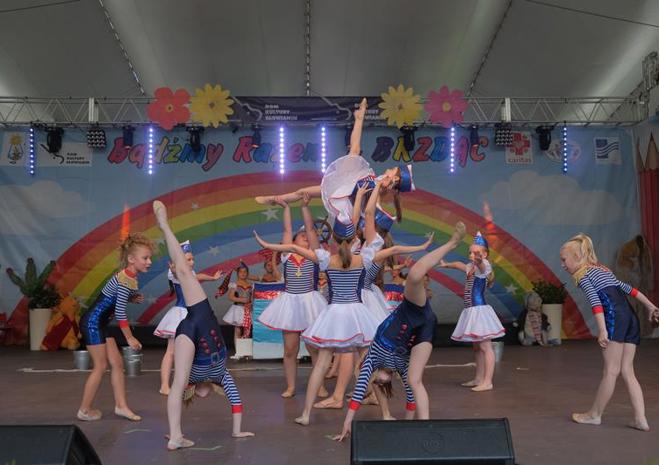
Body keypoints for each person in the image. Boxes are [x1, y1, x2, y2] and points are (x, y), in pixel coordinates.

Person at [253, 179, 390, 425]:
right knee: (368, 362)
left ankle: (306, 413)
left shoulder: (326, 259)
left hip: (334, 314)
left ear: (332, 239)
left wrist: (266, 244)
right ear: (354, 237)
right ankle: (386, 413)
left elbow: (294, 243)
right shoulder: (363, 257)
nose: (306, 238)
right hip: (358, 315)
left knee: (322, 362)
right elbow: (374, 228)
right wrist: (366, 194)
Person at [334, 222, 467, 441]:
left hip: (411, 312)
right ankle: (424, 431)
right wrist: (406, 424)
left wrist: (347, 422)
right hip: (424, 331)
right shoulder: (400, 367)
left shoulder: (371, 359)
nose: (378, 382)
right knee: (414, 381)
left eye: (374, 380)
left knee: (414, 275)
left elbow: (358, 393)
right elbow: (410, 399)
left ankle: (452, 243)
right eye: (381, 384)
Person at [153, 200, 254, 450]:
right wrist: (236, 431)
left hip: (190, 330)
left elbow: (180, 392)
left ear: (194, 392)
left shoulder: (192, 380)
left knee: (177, 384)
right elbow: (236, 402)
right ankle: (164, 226)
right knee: (184, 272)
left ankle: (175, 436)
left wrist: (237, 431)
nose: (204, 395)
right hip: (202, 319)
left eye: (198, 395)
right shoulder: (221, 376)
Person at [255, 98, 414, 229]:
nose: (391, 168)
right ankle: (275, 199)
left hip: (346, 197)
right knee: (305, 190)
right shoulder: (381, 182)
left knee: (354, 151)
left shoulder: (383, 187)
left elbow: (373, 206)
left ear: (396, 179)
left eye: (394, 170)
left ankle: (359, 118)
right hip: (347, 185)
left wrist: (381, 212)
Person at [560, 233, 658, 432]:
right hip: (630, 318)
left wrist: (603, 330)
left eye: (564, 260)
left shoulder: (584, 275)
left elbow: (596, 303)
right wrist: (650, 306)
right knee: (627, 370)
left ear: (577, 257)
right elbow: (629, 289)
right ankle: (640, 419)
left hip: (615, 319)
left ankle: (595, 415)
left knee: (611, 371)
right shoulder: (602, 270)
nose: (562, 265)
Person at [77, 233, 154, 422]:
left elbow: (112, 298)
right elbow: (119, 312)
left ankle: (121, 406)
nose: (149, 262)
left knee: (117, 363)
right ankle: (84, 410)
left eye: (149, 258)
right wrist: (129, 337)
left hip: (100, 322)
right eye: (145, 258)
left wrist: (130, 298)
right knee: (101, 366)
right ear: (131, 259)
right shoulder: (125, 279)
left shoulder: (129, 276)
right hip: (92, 323)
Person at [257, 194, 327, 397]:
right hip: (290, 303)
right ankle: (291, 386)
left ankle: (320, 386)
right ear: (293, 241)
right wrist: (286, 207)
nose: (304, 235)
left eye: (307, 235)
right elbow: (287, 229)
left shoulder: (315, 254)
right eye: (300, 234)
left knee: (314, 348)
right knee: (290, 349)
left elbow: (311, 229)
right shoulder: (287, 254)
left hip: (311, 303)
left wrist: (305, 206)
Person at [154, 240, 224, 395]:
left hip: (193, 315)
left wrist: (212, 278)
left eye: (192, 259)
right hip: (180, 315)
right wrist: (173, 268)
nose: (192, 262)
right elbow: (175, 274)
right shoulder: (176, 273)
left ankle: (187, 383)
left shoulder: (190, 273)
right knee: (171, 351)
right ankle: (164, 385)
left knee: (191, 352)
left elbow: (198, 276)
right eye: (188, 259)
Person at [440, 231, 504, 392]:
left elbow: (482, 266)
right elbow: (458, 264)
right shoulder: (471, 267)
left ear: (485, 254)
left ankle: (487, 381)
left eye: (476, 253)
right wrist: (447, 265)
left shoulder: (484, 267)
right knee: (477, 348)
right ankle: (479, 378)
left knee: (486, 347)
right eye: (470, 252)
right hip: (471, 311)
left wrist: (480, 260)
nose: (472, 255)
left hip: (479, 312)